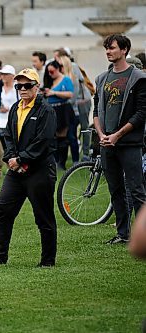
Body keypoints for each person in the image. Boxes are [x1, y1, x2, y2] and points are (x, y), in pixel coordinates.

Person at [0, 68, 58, 267]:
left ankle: (47, 260)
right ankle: (0, 255)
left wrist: (21, 159)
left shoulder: (46, 110)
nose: (22, 89)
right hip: (16, 170)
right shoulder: (15, 108)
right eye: (19, 85)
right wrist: (12, 157)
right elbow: (8, 136)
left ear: (36, 87)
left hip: (39, 170)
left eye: (27, 85)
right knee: (3, 208)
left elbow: (44, 141)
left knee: (43, 216)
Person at [93, 34, 146, 245]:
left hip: (129, 143)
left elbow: (142, 112)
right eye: (106, 48)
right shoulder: (102, 79)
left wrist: (117, 135)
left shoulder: (138, 78)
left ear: (124, 50)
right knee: (115, 190)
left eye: (112, 48)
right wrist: (102, 135)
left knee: (137, 190)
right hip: (107, 143)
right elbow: (97, 111)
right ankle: (123, 234)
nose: (108, 51)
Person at [43, 60, 74, 170]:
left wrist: (54, 93)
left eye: (52, 71)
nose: (50, 74)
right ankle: (54, 161)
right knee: (52, 137)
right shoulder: (49, 80)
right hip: (51, 109)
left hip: (63, 109)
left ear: (58, 69)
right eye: (48, 72)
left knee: (63, 137)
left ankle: (62, 162)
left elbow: (70, 93)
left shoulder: (65, 79)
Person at [0, 64, 18, 166]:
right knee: (3, 146)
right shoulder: (0, 88)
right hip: (1, 121)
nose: (3, 76)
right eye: (2, 74)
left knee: (12, 145)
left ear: (12, 76)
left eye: (6, 74)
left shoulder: (17, 89)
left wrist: (8, 108)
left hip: (12, 121)